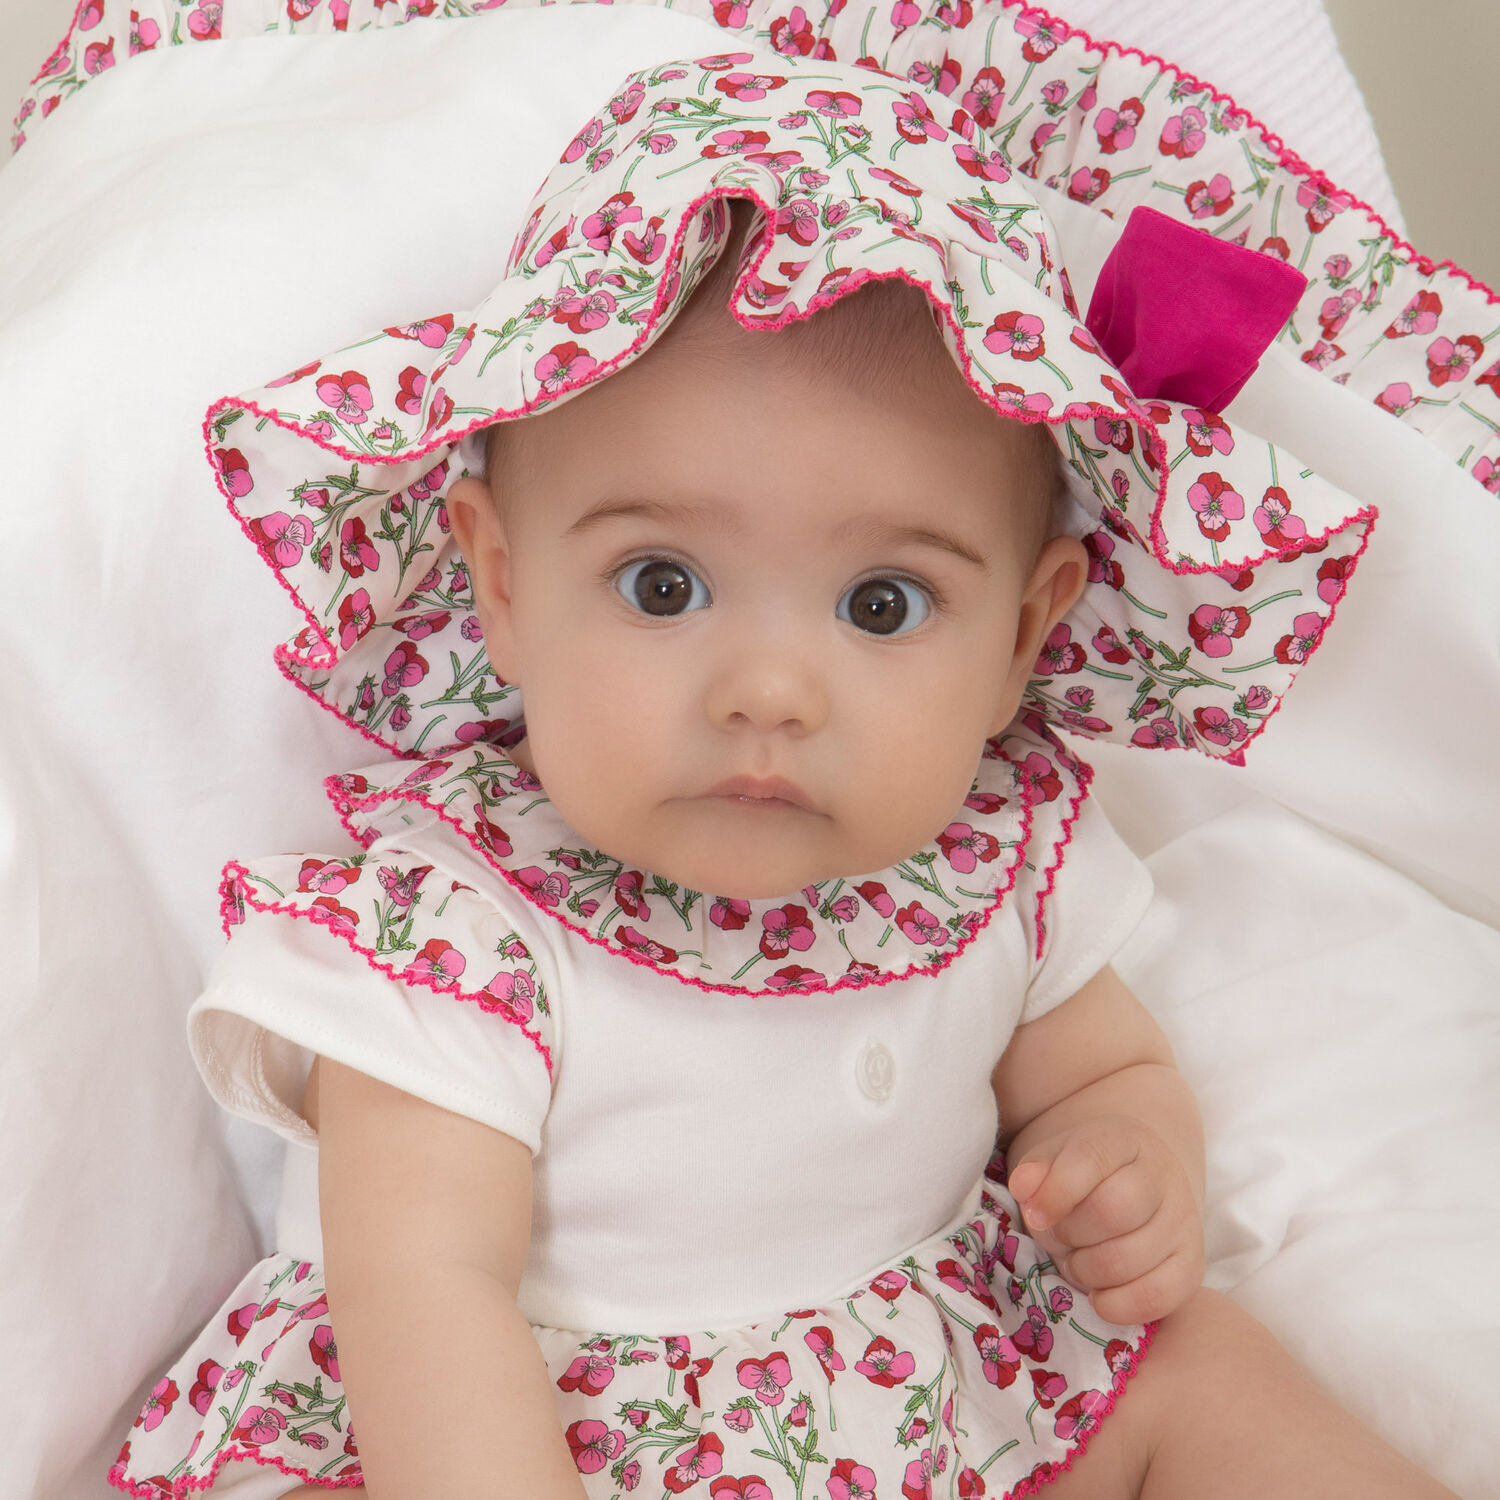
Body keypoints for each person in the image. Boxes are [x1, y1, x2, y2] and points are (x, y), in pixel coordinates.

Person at [108, 51, 1457, 1500]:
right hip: (540, 1423)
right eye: (663, 583)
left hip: (930, 1377)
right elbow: (420, 1298)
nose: (768, 692)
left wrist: (1129, 1155)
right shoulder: (460, 933)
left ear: (1024, 634)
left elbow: (1103, 1062)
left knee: (1204, 1369)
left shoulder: (993, 856)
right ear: (499, 584)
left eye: (883, 605)